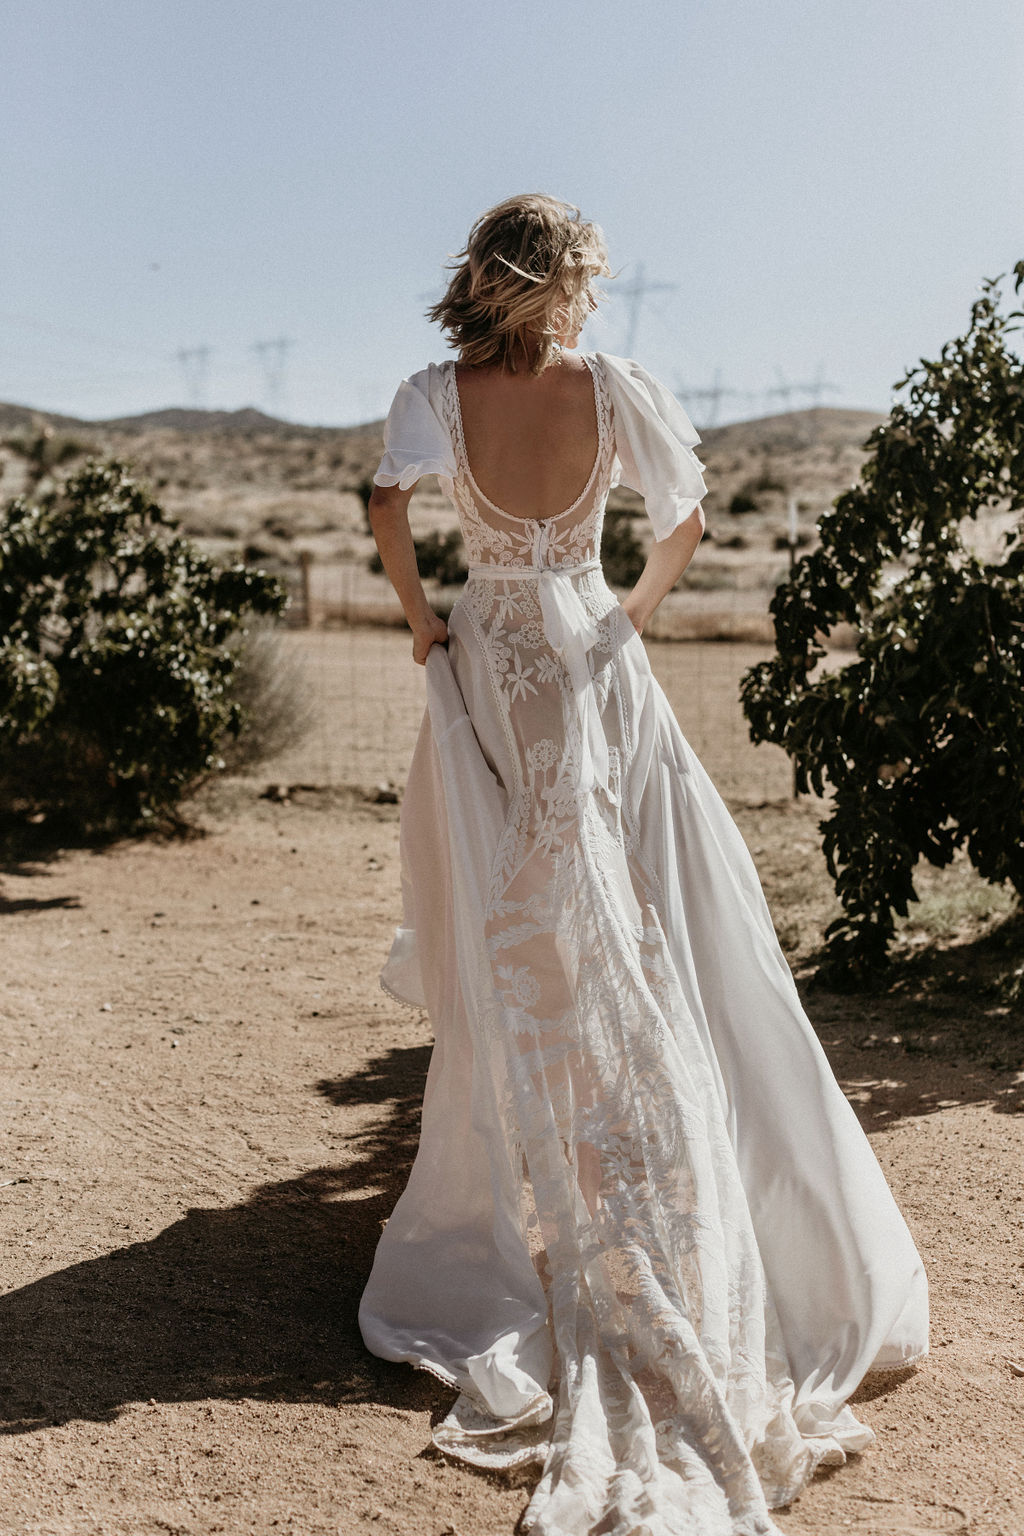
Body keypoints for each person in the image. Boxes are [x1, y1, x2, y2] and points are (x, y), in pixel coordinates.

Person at [359, 193, 928, 1536]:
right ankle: (647, 1187)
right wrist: (625, 618)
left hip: (492, 653)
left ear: (481, 278)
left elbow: (384, 504)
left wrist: (425, 627)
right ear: (566, 281)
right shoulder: (617, 389)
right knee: (634, 923)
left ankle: (553, 1200)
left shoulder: (433, 392)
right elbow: (689, 517)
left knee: (534, 927)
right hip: (590, 657)